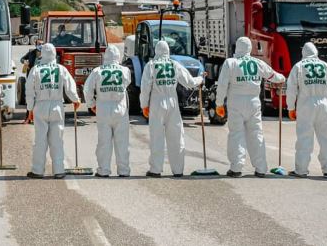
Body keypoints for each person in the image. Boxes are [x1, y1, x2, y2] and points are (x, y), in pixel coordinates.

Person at [215, 37, 285, 178]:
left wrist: (219, 104)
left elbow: (222, 85)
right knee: (256, 134)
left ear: (237, 48)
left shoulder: (230, 63)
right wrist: (282, 78)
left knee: (236, 134)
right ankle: (260, 168)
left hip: (236, 102)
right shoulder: (257, 62)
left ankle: (236, 168)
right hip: (254, 102)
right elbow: (272, 75)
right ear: (249, 49)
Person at [140, 40, 203, 177]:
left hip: (157, 102)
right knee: (176, 137)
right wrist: (200, 79)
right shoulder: (174, 64)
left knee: (157, 137)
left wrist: (144, 105)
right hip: (172, 101)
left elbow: (145, 88)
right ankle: (178, 170)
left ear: (156, 51)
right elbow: (189, 82)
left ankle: (156, 170)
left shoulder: (151, 65)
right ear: (168, 51)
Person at [25, 43, 79, 179]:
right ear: (54, 54)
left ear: (42, 54)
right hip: (57, 105)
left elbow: (29, 91)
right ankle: (59, 170)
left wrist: (30, 108)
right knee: (57, 140)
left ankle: (37, 170)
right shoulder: (61, 69)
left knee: (40, 140)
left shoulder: (35, 69)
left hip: (40, 106)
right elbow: (70, 86)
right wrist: (76, 100)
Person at [285, 42, 327, 178]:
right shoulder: (326, 66)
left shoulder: (298, 66)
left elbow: (291, 89)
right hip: (324, 103)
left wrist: (291, 107)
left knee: (304, 138)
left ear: (304, 53)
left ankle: (301, 170)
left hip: (305, 104)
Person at [83, 44, 132, 177]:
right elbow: (127, 83)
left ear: (105, 56)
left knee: (104, 142)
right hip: (120, 108)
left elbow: (87, 89)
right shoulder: (125, 70)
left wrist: (91, 104)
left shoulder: (97, 71)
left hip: (103, 108)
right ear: (118, 56)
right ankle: (124, 170)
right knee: (122, 142)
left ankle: (104, 170)